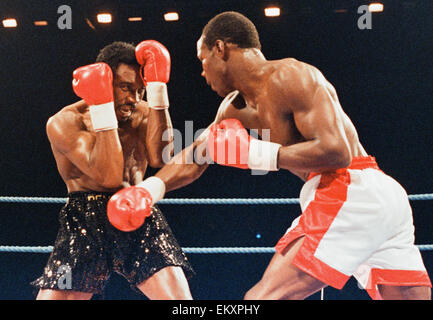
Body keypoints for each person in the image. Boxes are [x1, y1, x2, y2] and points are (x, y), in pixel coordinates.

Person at [109, 12, 432, 300]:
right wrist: (147, 191)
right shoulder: (234, 108)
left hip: (350, 191)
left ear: (220, 49)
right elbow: (193, 156)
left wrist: (258, 153)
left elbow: (337, 152)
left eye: (202, 60)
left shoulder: (291, 75)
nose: (203, 74)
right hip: (381, 200)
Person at [31, 40, 194, 300]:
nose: (133, 99)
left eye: (140, 90)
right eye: (126, 88)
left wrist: (158, 93)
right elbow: (108, 177)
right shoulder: (65, 123)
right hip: (84, 220)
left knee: (181, 303)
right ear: (104, 83)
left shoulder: (141, 111)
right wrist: (103, 108)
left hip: (136, 209)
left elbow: (160, 158)